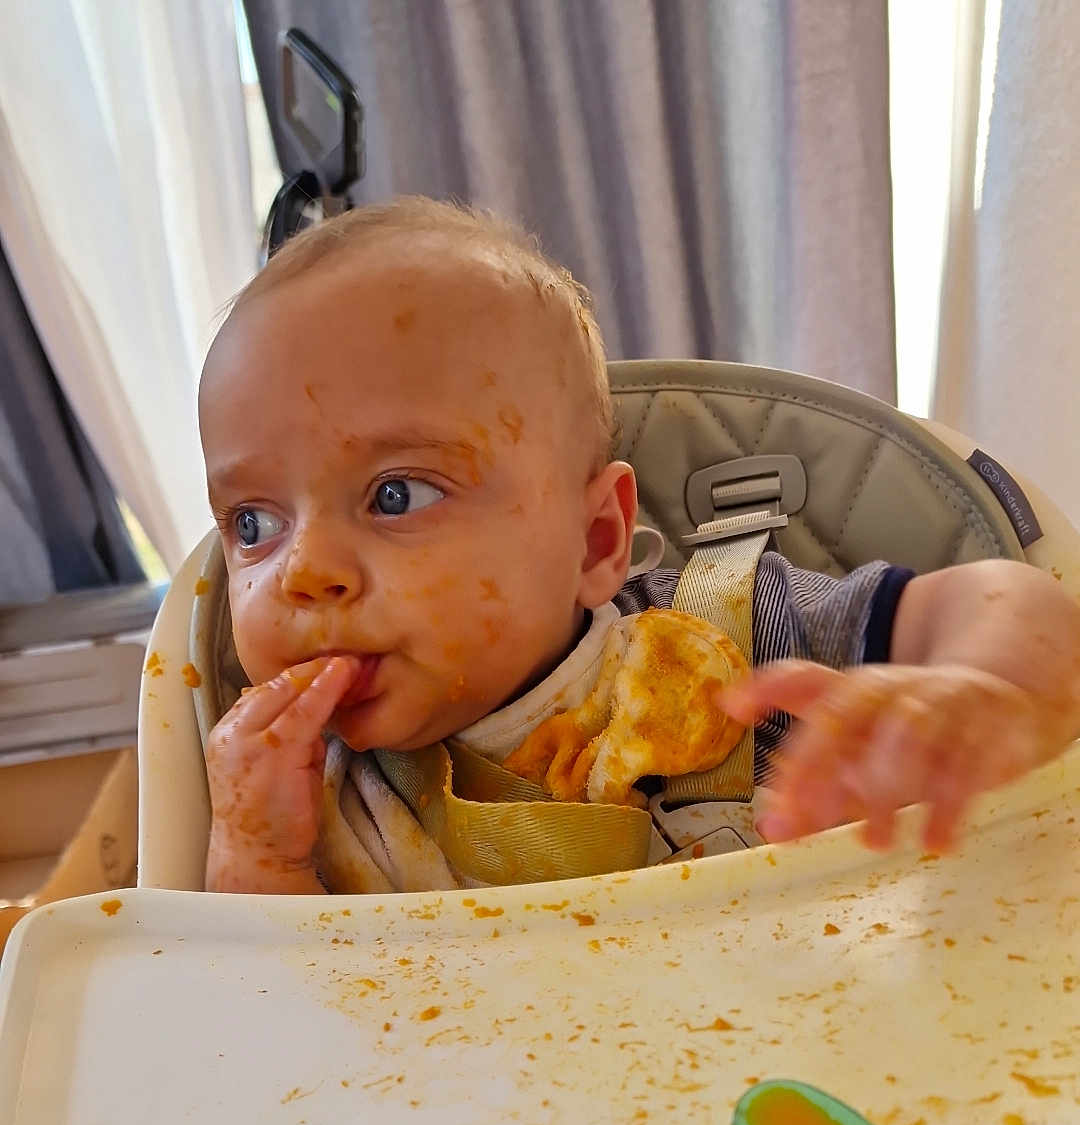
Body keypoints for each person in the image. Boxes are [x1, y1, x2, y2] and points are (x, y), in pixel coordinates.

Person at [198, 198, 1080, 895]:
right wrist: (256, 860)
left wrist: (981, 694)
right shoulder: (296, 795)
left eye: (395, 495)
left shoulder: (730, 647)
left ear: (595, 540)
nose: (304, 571)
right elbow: (261, 1033)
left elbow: (1012, 598)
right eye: (252, 524)